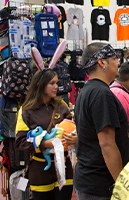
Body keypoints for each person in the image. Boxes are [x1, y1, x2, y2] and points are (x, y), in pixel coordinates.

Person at [73, 43, 129, 199]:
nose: (118, 62)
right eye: (114, 58)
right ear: (101, 62)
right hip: (99, 185)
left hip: (91, 181)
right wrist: (122, 185)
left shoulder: (88, 90)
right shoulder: (101, 94)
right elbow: (107, 144)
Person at [15, 69, 74, 200]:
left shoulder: (62, 106)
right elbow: (20, 141)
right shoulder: (26, 110)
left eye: (57, 83)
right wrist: (45, 143)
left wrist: (74, 139)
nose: (56, 87)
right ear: (40, 84)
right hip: (40, 169)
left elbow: (72, 129)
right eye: (51, 83)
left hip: (65, 170)